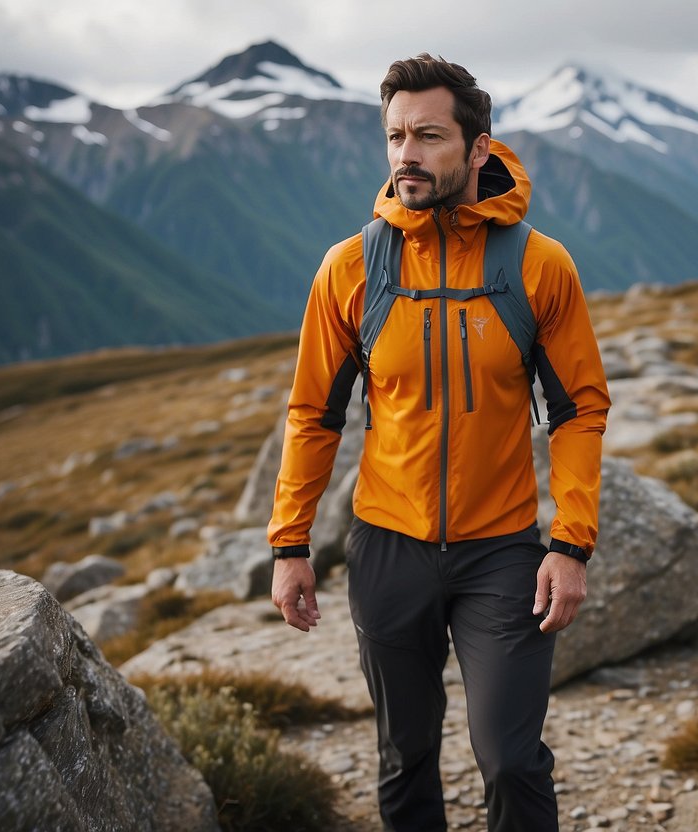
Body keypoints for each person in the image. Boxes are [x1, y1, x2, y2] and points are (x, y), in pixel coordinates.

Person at [268, 53, 610, 832]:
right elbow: (312, 415)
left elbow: (578, 410)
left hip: (502, 554)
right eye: (394, 136)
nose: (406, 155)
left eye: (427, 135)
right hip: (388, 548)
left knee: (511, 758)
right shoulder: (351, 268)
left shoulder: (537, 265)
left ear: (477, 149)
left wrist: (571, 542)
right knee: (404, 756)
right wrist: (289, 544)